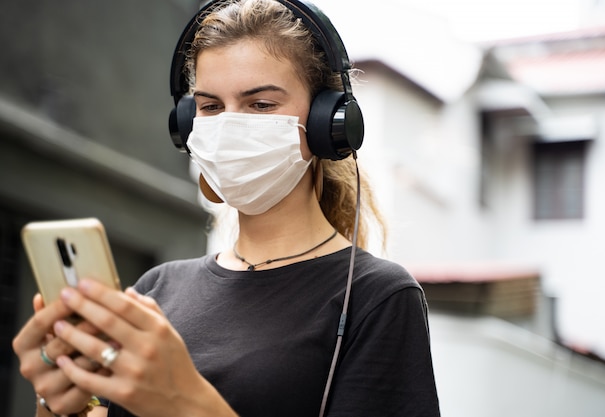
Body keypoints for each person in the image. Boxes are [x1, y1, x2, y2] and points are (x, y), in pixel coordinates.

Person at [12, 0, 441, 416]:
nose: (229, 127)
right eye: (211, 107)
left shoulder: (376, 297)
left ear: (328, 123)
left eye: (261, 104)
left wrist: (181, 401)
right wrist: (58, 404)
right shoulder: (155, 290)